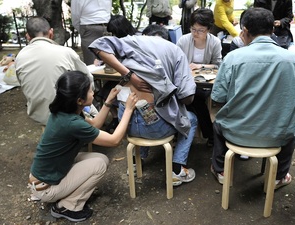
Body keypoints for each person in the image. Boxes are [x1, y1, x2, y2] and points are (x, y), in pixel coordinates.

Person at [210, 7, 295, 188]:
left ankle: (221, 170)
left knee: (218, 123)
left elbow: (218, 97)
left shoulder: (233, 58)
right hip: (278, 135)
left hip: (237, 133)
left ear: (244, 31)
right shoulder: (293, 60)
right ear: (273, 29)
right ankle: (279, 176)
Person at [28, 71, 138, 222]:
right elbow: (114, 140)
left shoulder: (65, 112)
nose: (93, 93)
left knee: (99, 158)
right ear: (80, 100)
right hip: (45, 188)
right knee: (99, 164)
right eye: (90, 91)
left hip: (43, 177)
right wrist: (128, 110)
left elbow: (96, 125)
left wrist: (108, 101)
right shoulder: (72, 123)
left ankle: (68, 193)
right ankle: (67, 206)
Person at [89, 34, 198, 187]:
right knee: (191, 119)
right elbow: (188, 97)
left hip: (125, 124)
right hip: (154, 127)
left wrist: (129, 75)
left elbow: (96, 44)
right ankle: (177, 170)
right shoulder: (175, 51)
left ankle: (136, 162)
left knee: (141, 110)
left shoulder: (129, 42)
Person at [15, 17, 97, 126]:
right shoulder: (66, 52)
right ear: (51, 33)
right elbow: (89, 80)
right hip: (66, 114)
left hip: (38, 115)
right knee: (94, 112)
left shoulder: (20, 57)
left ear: (28, 36)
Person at [176, 8, 222, 146]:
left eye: (200, 30)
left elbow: (218, 65)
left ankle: (190, 132)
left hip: (204, 84)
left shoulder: (214, 42)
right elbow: (174, 61)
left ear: (208, 29)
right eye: (193, 29)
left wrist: (200, 66)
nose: (195, 33)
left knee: (195, 96)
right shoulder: (183, 40)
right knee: (193, 97)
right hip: (184, 82)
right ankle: (210, 134)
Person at [96, 15, 137, 133]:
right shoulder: (116, 41)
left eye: (114, 32)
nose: (113, 36)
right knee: (106, 90)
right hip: (120, 77)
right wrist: (102, 60)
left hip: (133, 78)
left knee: (111, 89)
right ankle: (115, 118)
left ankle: (121, 119)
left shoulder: (135, 39)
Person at [71, 0, 112, 65]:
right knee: (108, 63)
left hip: (89, 26)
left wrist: (82, 30)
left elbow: (75, 15)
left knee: (91, 64)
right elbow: (108, 9)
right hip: (106, 26)